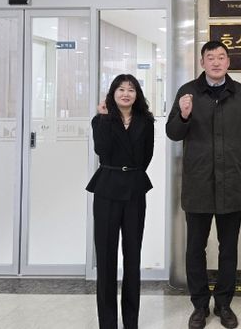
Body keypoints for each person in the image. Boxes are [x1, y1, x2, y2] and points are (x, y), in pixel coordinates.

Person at [166, 40, 241, 329]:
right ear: (202, 62)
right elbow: (172, 133)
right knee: (195, 248)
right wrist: (183, 115)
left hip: (232, 183)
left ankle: (223, 303)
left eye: (221, 57)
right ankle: (199, 305)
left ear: (228, 62)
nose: (216, 62)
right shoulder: (188, 92)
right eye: (211, 57)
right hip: (198, 184)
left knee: (228, 248)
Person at [86, 74, 156, 329]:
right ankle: (107, 323)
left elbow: (146, 156)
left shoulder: (146, 121)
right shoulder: (101, 119)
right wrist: (105, 118)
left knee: (132, 256)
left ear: (137, 94)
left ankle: (130, 322)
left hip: (134, 189)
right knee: (105, 258)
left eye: (131, 90)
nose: (126, 94)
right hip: (107, 189)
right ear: (113, 93)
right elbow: (102, 150)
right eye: (121, 89)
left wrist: (130, 172)